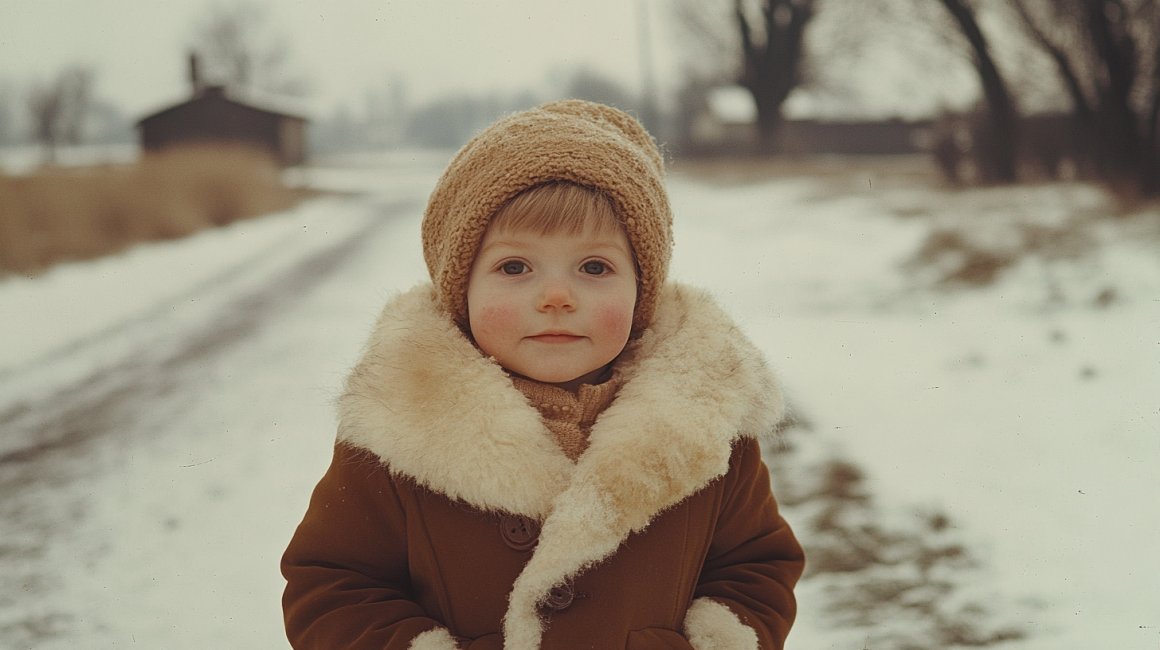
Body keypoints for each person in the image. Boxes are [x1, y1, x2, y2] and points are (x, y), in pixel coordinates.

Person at [281, 99, 804, 649]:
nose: (556, 296)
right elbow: (334, 584)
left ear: (641, 290)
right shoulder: (398, 428)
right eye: (514, 267)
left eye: (594, 267)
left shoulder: (703, 427)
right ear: (462, 289)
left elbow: (756, 566)